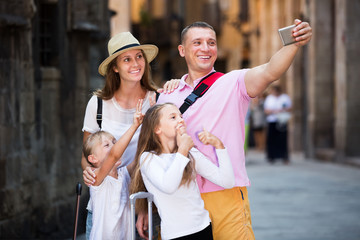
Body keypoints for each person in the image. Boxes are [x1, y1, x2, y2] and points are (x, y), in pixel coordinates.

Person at [137, 19, 312, 239]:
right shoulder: (166, 95)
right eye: (197, 42)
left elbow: (269, 71)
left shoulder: (234, 82)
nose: (205, 48)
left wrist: (293, 44)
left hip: (225, 195)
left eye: (211, 42)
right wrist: (144, 207)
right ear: (182, 50)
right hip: (179, 203)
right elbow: (151, 149)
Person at [81, 31, 178, 239]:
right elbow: (86, 154)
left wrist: (143, 207)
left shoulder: (158, 99)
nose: (136, 63)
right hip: (104, 209)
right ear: (115, 68)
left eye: (139, 56)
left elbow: (163, 154)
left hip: (146, 203)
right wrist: (88, 170)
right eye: (127, 59)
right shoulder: (97, 104)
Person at [130, 103, 235, 240]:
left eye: (181, 116)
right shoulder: (148, 158)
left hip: (204, 228)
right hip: (176, 234)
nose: (181, 120)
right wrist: (183, 150)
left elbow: (227, 182)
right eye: (173, 117)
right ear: (157, 128)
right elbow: (168, 186)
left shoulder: (190, 153)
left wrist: (219, 146)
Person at [82, 99, 144, 239]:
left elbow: (142, 154)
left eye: (114, 142)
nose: (114, 146)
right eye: (106, 145)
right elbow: (114, 155)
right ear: (93, 159)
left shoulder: (123, 174)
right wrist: (134, 126)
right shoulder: (97, 178)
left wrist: (150, 122)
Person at [264, 85, 292, 164]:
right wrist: (273, 111)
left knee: (282, 139)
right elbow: (266, 110)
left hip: (282, 121)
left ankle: (284, 157)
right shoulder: (269, 98)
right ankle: (271, 157)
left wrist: (282, 110)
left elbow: (290, 108)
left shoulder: (285, 97)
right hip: (272, 120)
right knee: (271, 139)